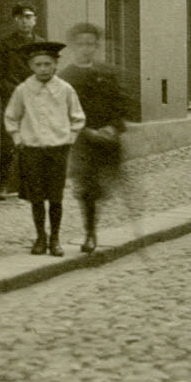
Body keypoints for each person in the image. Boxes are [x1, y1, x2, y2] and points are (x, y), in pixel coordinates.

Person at [62, 20, 138, 253]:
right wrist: (86, 131)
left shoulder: (108, 73)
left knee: (105, 186)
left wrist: (113, 127)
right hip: (82, 140)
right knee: (87, 188)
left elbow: (122, 104)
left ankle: (95, 220)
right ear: (73, 46)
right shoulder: (66, 76)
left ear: (97, 47)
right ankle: (90, 233)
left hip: (108, 138)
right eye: (81, 44)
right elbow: (62, 111)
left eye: (91, 44)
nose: (86, 48)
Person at [4, 40, 82, 257]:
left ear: (55, 65)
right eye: (38, 65)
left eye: (47, 64)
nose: (43, 69)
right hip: (32, 149)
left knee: (55, 196)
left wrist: (70, 137)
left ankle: (55, 238)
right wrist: (18, 138)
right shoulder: (23, 90)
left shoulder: (65, 89)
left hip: (58, 149)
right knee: (36, 196)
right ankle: (40, 237)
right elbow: (11, 116)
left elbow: (77, 117)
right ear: (31, 66)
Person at [0, 3, 41, 201]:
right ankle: (4, 185)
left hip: (36, 99)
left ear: (35, 20)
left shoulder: (41, 45)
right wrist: (10, 91)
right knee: (9, 140)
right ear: (14, 21)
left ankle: (31, 184)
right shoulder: (4, 46)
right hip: (12, 100)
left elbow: (49, 72)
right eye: (20, 18)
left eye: (28, 17)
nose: (24, 21)